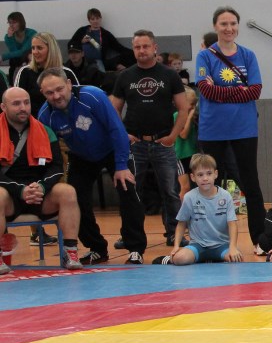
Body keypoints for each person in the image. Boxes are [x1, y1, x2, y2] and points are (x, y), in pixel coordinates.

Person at [37, 68, 146, 265]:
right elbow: (47, 151)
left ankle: (135, 248)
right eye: (49, 93)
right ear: (42, 93)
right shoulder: (45, 115)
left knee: (127, 190)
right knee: (74, 199)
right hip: (81, 156)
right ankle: (97, 248)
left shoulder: (92, 96)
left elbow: (116, 129)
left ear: (69, 84)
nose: (56, 96)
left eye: (59, 89)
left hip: (113, 149)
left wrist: (121, 165)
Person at [111, 29, 190, 249]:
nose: (142, 50)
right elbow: (113, 110)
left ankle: (174, 234)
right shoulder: (125, 76)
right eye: (137, 47)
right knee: (131, 192)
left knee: (170, 191)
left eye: (146, 46)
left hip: (163, 142)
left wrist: (172, 136)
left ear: (155, 48)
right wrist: (123, 135)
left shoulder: (169, 75)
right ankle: (130, 236)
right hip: (134, 144)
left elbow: (183, 109)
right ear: (133, 49)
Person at [195, 6, 267, 247]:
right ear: (215, 26)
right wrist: (239, 91)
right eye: (224, 24)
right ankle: (212, 240)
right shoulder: (205, 56)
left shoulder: (248, 55)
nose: (229, 28)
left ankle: (260, 239)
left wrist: (220, 91)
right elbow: (205, 90)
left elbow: (255, 91)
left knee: (250, 184)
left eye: (233, 23)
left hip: (244, 129)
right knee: (210, 185)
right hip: (212, 130)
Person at [0, 87, 83, 275]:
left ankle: (70, 252)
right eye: (16, 104)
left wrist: (42, 187)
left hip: (39, 195)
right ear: (3, 107)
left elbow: (56, 167)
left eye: (26, 102)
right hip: (9, 198)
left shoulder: (45, 131)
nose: (23, 107)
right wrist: (21, 191)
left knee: (67, 191)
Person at [152, 153, 242, 265]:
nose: (205, 178)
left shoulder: (225, 196)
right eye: (200, 175)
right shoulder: (189, 197)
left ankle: (210, 258)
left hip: (222, 245)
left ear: (216, 174)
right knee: (180, 259)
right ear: (193, 177)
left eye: (209, 173)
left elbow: (232, 224)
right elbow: (181, 224)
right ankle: (168, 259)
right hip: (198, 246)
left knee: (236, 259)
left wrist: (232, 247)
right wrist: (176, 247)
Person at [12, 32, 80, 116]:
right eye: (33, 48)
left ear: (51, 50)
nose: (35, 52)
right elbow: (16, 101)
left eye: (39, 48)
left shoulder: (67, 72)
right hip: (34, 121)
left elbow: (78, 99)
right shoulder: (25, 72)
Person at [69, 8, 131, 73]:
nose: (95, 21)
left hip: (97, 61)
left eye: (97, 18)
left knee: (101, 76)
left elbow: (119, 47)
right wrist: (81, 41)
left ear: (101, 19)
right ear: (89, 20)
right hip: (82, 61)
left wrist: (134, 52)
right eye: (93, 19)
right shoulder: (82, 30)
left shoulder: (106, 34)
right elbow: (70, 44)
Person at [174, 86, 199, 197]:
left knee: (196, 186)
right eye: (191, 104)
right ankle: (180, 208)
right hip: (180, 156)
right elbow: (183, 135)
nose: (193, 107)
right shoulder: (177, 115)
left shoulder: (194, 117)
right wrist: (188, 118)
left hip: (192, 155)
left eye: (195, 104)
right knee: (185, 187)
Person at [4, 12, 36, 79]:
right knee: (14, 59)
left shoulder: (32, 33)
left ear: (21, 22)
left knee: (27, 55)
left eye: (14, 22)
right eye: (10, 23)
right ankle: (13, 82)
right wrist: (10, 38)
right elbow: (14, 53)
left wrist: (3, 57)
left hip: (29, 61)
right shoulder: (8, 37)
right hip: (16, 63)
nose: (11, 25)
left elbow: (22, 52)